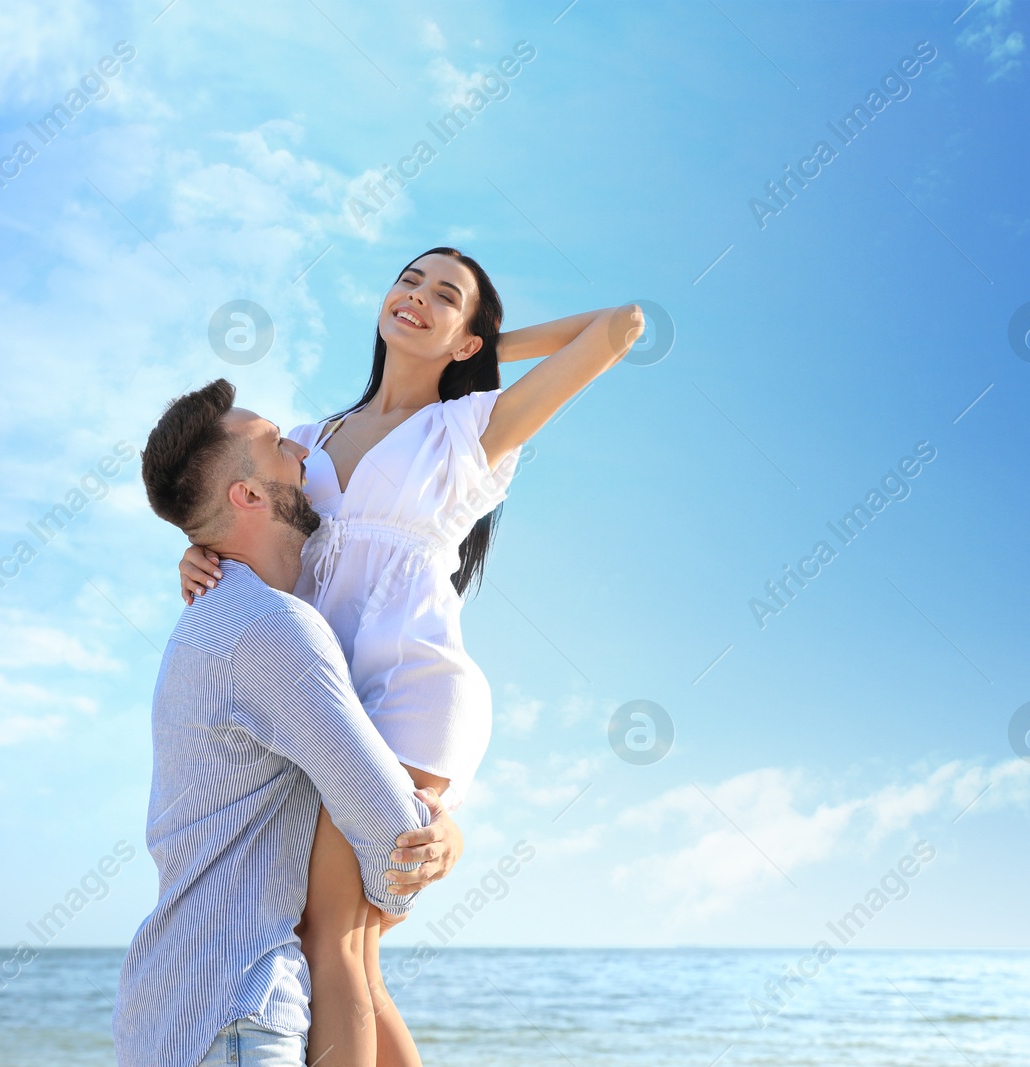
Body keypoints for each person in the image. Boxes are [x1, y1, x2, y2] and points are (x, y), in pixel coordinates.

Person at [177, 247, 645, 1065]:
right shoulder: (308, 437)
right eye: (410, 281)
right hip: (319, 695)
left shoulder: (471, 428)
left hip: (410, 689)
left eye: (444, 297)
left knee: (333, 938)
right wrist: (194, 555)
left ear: (468, 340)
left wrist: (487, 343)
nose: (417, 298)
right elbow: (229, 503)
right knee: (336, 948)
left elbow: (619, 327)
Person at [113, 379, 465, 1067]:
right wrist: (443, 831)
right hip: (236, 1011)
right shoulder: (273, 628)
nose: (303, 450)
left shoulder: (220, 616)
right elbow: (397, 842)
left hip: (180, 1016)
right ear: (246, 496)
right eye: (277, 444)